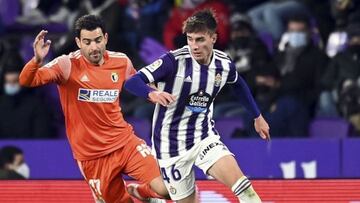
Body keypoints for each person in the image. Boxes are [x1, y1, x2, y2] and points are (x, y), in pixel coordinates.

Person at [125, 9, 270, 203]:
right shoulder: (173, 61)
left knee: (245, 190)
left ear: (213, 38)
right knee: (166, 191)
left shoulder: (223, 64)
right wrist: (152, 93)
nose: (194, 46)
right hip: (171, 145)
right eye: (190, 39)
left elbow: (238, 84)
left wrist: (257, 116)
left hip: (203, 138)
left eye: (200, 39)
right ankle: (147, 194)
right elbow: (132, 82)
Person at [19, 14, 168, 203]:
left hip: (125, 144)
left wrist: (151, 93)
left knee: (167, 189)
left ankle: (141, 192)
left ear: (105, 38)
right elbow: (27, 80)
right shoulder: (66, 65)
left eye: (98, 40)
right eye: (87, 42)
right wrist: (37, 61)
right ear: (78, 42)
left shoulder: (121, 61)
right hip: (92, 157)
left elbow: (134, 83)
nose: (94, 47)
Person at [0, 67, 54, 138]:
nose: (11, 85)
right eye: (8, 82)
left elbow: (42, 137)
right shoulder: (1, 104)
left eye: (15, 81)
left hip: (30, 148)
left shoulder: (36, 105)